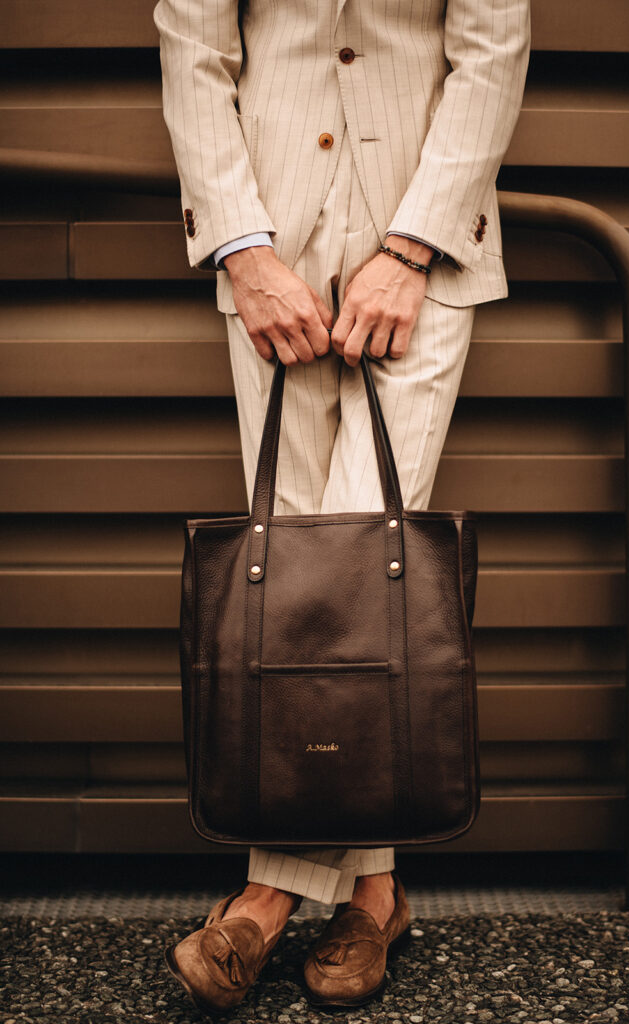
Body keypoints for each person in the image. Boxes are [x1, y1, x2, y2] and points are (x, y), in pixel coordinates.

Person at [154, 0, 530, 1013]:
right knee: (295, 603)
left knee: (365, 591)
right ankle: (373, 888)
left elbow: (492, 44)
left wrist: (411, 249)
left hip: (426, 265)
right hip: (267, 258)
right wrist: (241, 248)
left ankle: (266, 893)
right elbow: (194, 45)